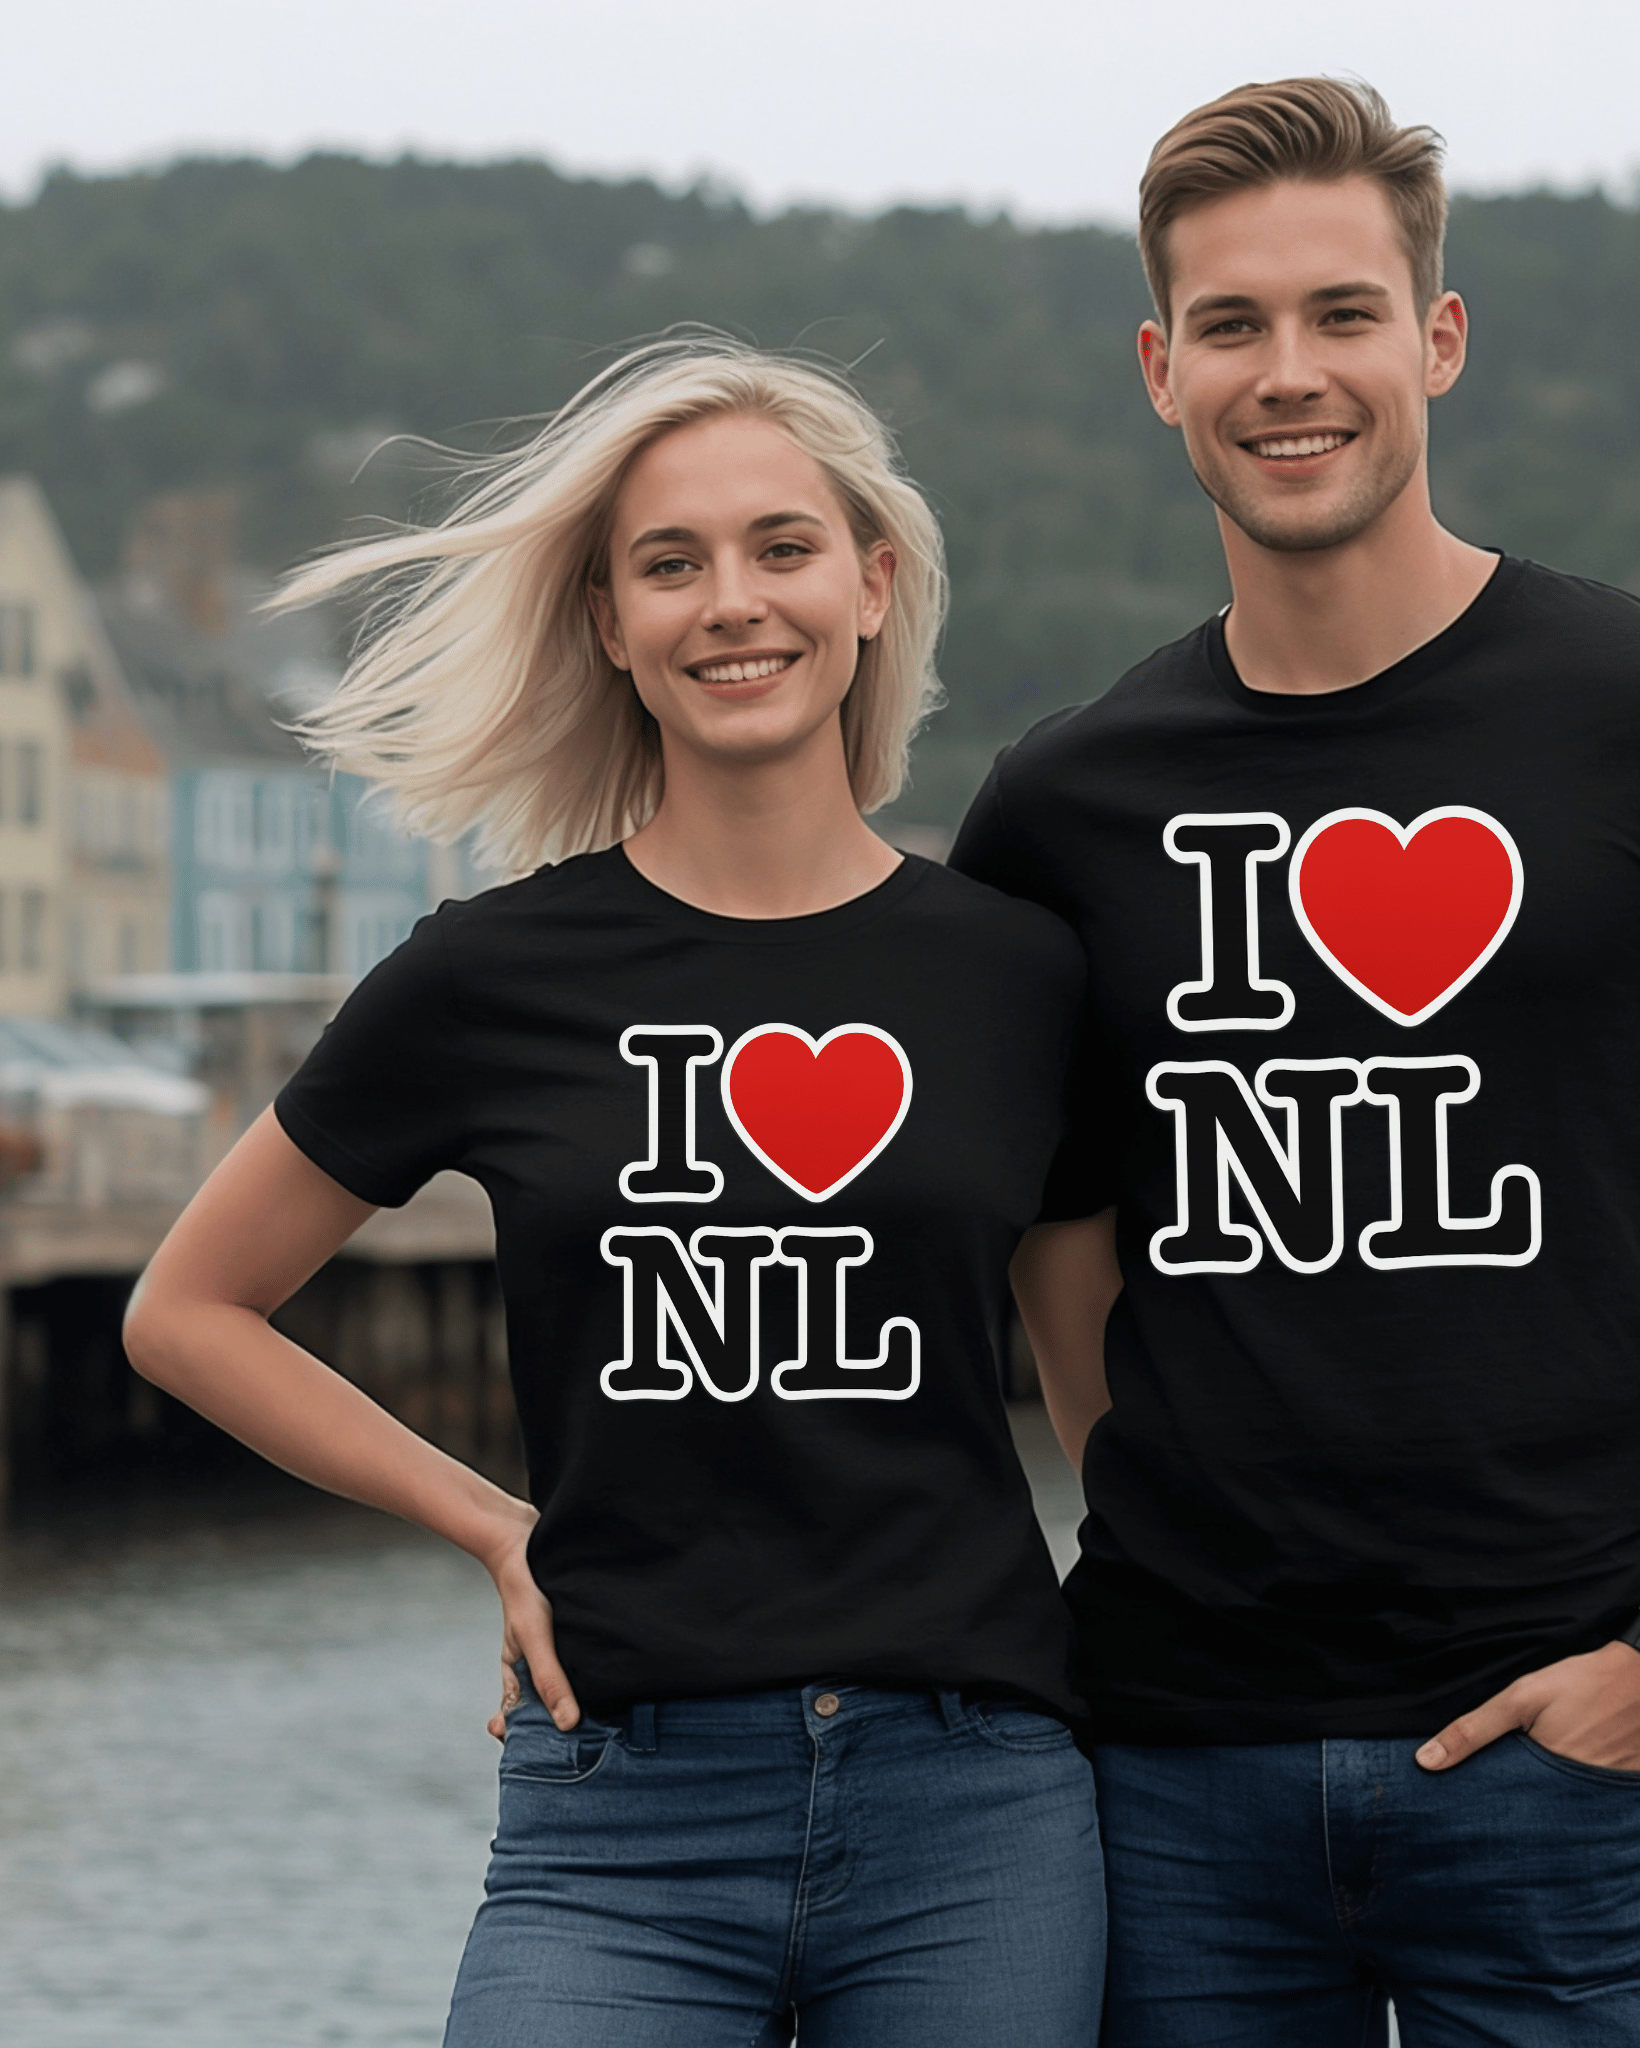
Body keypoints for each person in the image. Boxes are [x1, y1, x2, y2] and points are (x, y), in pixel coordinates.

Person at [960, 77, 1640, 2048]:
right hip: (1171, 1771)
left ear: (1437, 340)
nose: (1286, 373)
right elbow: (1066, 1267)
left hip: (1562, 1752)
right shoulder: (1060, 805)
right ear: (1158, 369)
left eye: (1340, 314)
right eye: (1229, 326)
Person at [122, 342, 1112, 2048]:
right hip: (623, 1810)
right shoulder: (496, 973)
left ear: (873, 586)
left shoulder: (1018, 974)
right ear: (608, 622)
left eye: (783, 548)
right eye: (673, 564)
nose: (735, 603)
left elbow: (1120, 1400)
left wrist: (1618, 1357)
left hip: (978, 1798)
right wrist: (492, 1522)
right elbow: (186, 1313)